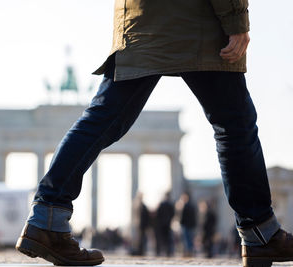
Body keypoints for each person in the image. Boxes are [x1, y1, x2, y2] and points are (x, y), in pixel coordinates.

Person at [16, 1, 293, 266]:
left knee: (104, 118)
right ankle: (260, 232)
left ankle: (47, 216)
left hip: (140, 18)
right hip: (197, 20)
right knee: (235, 124)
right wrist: (236, 19)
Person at [154, 192, 175, 256]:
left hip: (162, 224)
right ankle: (168, 251)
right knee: (167, 239)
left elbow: (158, 214)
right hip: (167, 224)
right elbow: (173, 214)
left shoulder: (162, 204)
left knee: (162, 238)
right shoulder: (170, 204)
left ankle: (162, 251)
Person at [180, 192, 197, 257]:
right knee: (190, 239)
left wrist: (181, 223)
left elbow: (183, 217)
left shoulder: (185, 206)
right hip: (191, 225)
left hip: (186, 225)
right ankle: (190, 251)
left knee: (187, 239)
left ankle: (188, 252)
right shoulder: (192, 205)